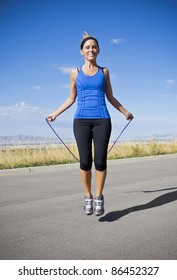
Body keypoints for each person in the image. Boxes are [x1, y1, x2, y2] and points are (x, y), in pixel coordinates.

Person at [47, 31, 134, 216]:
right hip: (81, 121)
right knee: (85, 161)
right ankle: (87, 197)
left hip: (102, 120)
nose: (91, 49)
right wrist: (54, 113)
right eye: (87, 47)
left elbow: (110, 97)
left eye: (94, 47)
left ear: (99, 50)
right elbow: (71, 98)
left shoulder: (104, 72)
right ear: (81, 51)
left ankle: (99, 197)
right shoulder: (75, 72)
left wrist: (125, 112)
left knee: (100, 162)